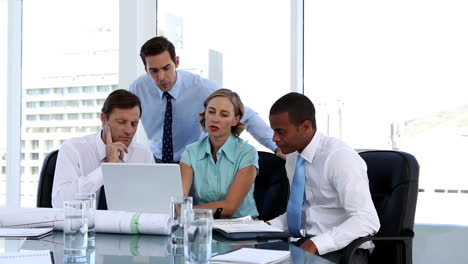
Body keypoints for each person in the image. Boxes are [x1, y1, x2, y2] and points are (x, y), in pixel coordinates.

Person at [129, 36, 284, 163]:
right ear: (145, 69)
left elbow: (247, 115)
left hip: (194, 162)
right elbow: (124, 121)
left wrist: (276, 147)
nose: (161, 77)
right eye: (153, 71)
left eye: (166, 68)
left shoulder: (203, 88)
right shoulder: (138, 88)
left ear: (176, 62)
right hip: (157, 161)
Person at [268, 93, 380, 263]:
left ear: (305, 126)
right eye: (274, 131)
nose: (274, 139)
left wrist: (316, 243)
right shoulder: (293, 157)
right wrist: (266, 227)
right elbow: (303, 212)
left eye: (281, 132)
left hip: (345, 251)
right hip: (310, 245)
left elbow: (367, 220)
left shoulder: (338, 157)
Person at [52, 89, 155, 208]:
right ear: (104, 119)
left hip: (126, 225)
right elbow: (60, 203)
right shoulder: (73, 149)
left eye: (134, 124)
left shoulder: (144, 156)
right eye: (121, 122)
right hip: (83, 225)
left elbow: (150, 207)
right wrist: (106, 168)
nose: (129, 131)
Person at [179, 89, 258, 218]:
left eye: (224, 115)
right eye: (211, 112)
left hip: (242, 228)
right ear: (205, 114)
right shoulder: (191, 152)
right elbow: (179, 200)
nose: (215, 119)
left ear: (235, 120)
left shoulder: (247, 152)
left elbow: (229, 208)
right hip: (204, 224)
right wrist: (183, 211)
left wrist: (187, 212)